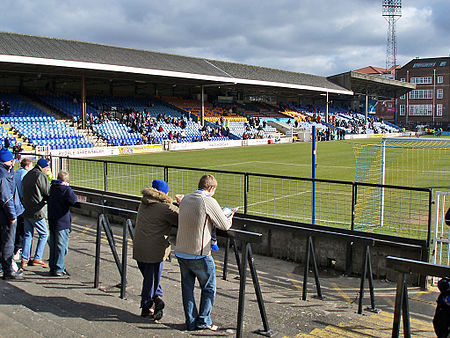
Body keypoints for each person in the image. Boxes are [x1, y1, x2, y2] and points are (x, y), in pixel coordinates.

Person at [175, 174, 234, 331]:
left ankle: (191, 321)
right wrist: (230, 216)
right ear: (211, 188)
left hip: (181, 251)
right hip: (198, 253)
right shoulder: (207, 200)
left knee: (187, 288)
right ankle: (204, 320)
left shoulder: (187, 198)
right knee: (208, 287)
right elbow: (224, 225)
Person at [133, 179, 180, 320]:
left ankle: (157, 299)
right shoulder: (164, 208)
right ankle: (147, 306)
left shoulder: (143, 203)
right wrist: (181, 203)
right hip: (154, 250)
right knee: (151, 279)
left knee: (150, 278)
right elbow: (181, 218)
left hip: (139, 247)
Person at [21, 158, 51, 268]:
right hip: (37, 210)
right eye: (47, 168)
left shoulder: (27, 175)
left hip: (26, 208)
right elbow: (47, 192)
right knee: (44, 234)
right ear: (43, 167)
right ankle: (37, 257)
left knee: (28, 235)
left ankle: (24, 259)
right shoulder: (40, 176)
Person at [0, 148, 24, 279]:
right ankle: (8, 271)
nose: (13, 162)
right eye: (11, 160)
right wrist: (12, 215)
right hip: (7, 215)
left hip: (5, 214)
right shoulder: (3, 175)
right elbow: (6, 197)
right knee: (8, 243)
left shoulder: (5, 172)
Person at [48, 171, 78, 277]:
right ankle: (59, 268)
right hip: (62, 221)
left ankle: (53, 266)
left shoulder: (53, 187)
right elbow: (74, 200)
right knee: (62, 246)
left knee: (54, 245)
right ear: (67, 180)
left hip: (52, 219)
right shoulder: (66, 189)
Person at [13, 158, 33, 261]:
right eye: (31, 166)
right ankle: (18, 250)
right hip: (21, 205)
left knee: (17, 229)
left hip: (15, 203)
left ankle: (15, 249)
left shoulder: (16, 172)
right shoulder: (25, 174)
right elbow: (24, 190)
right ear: (26, 166)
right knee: (22, 229)